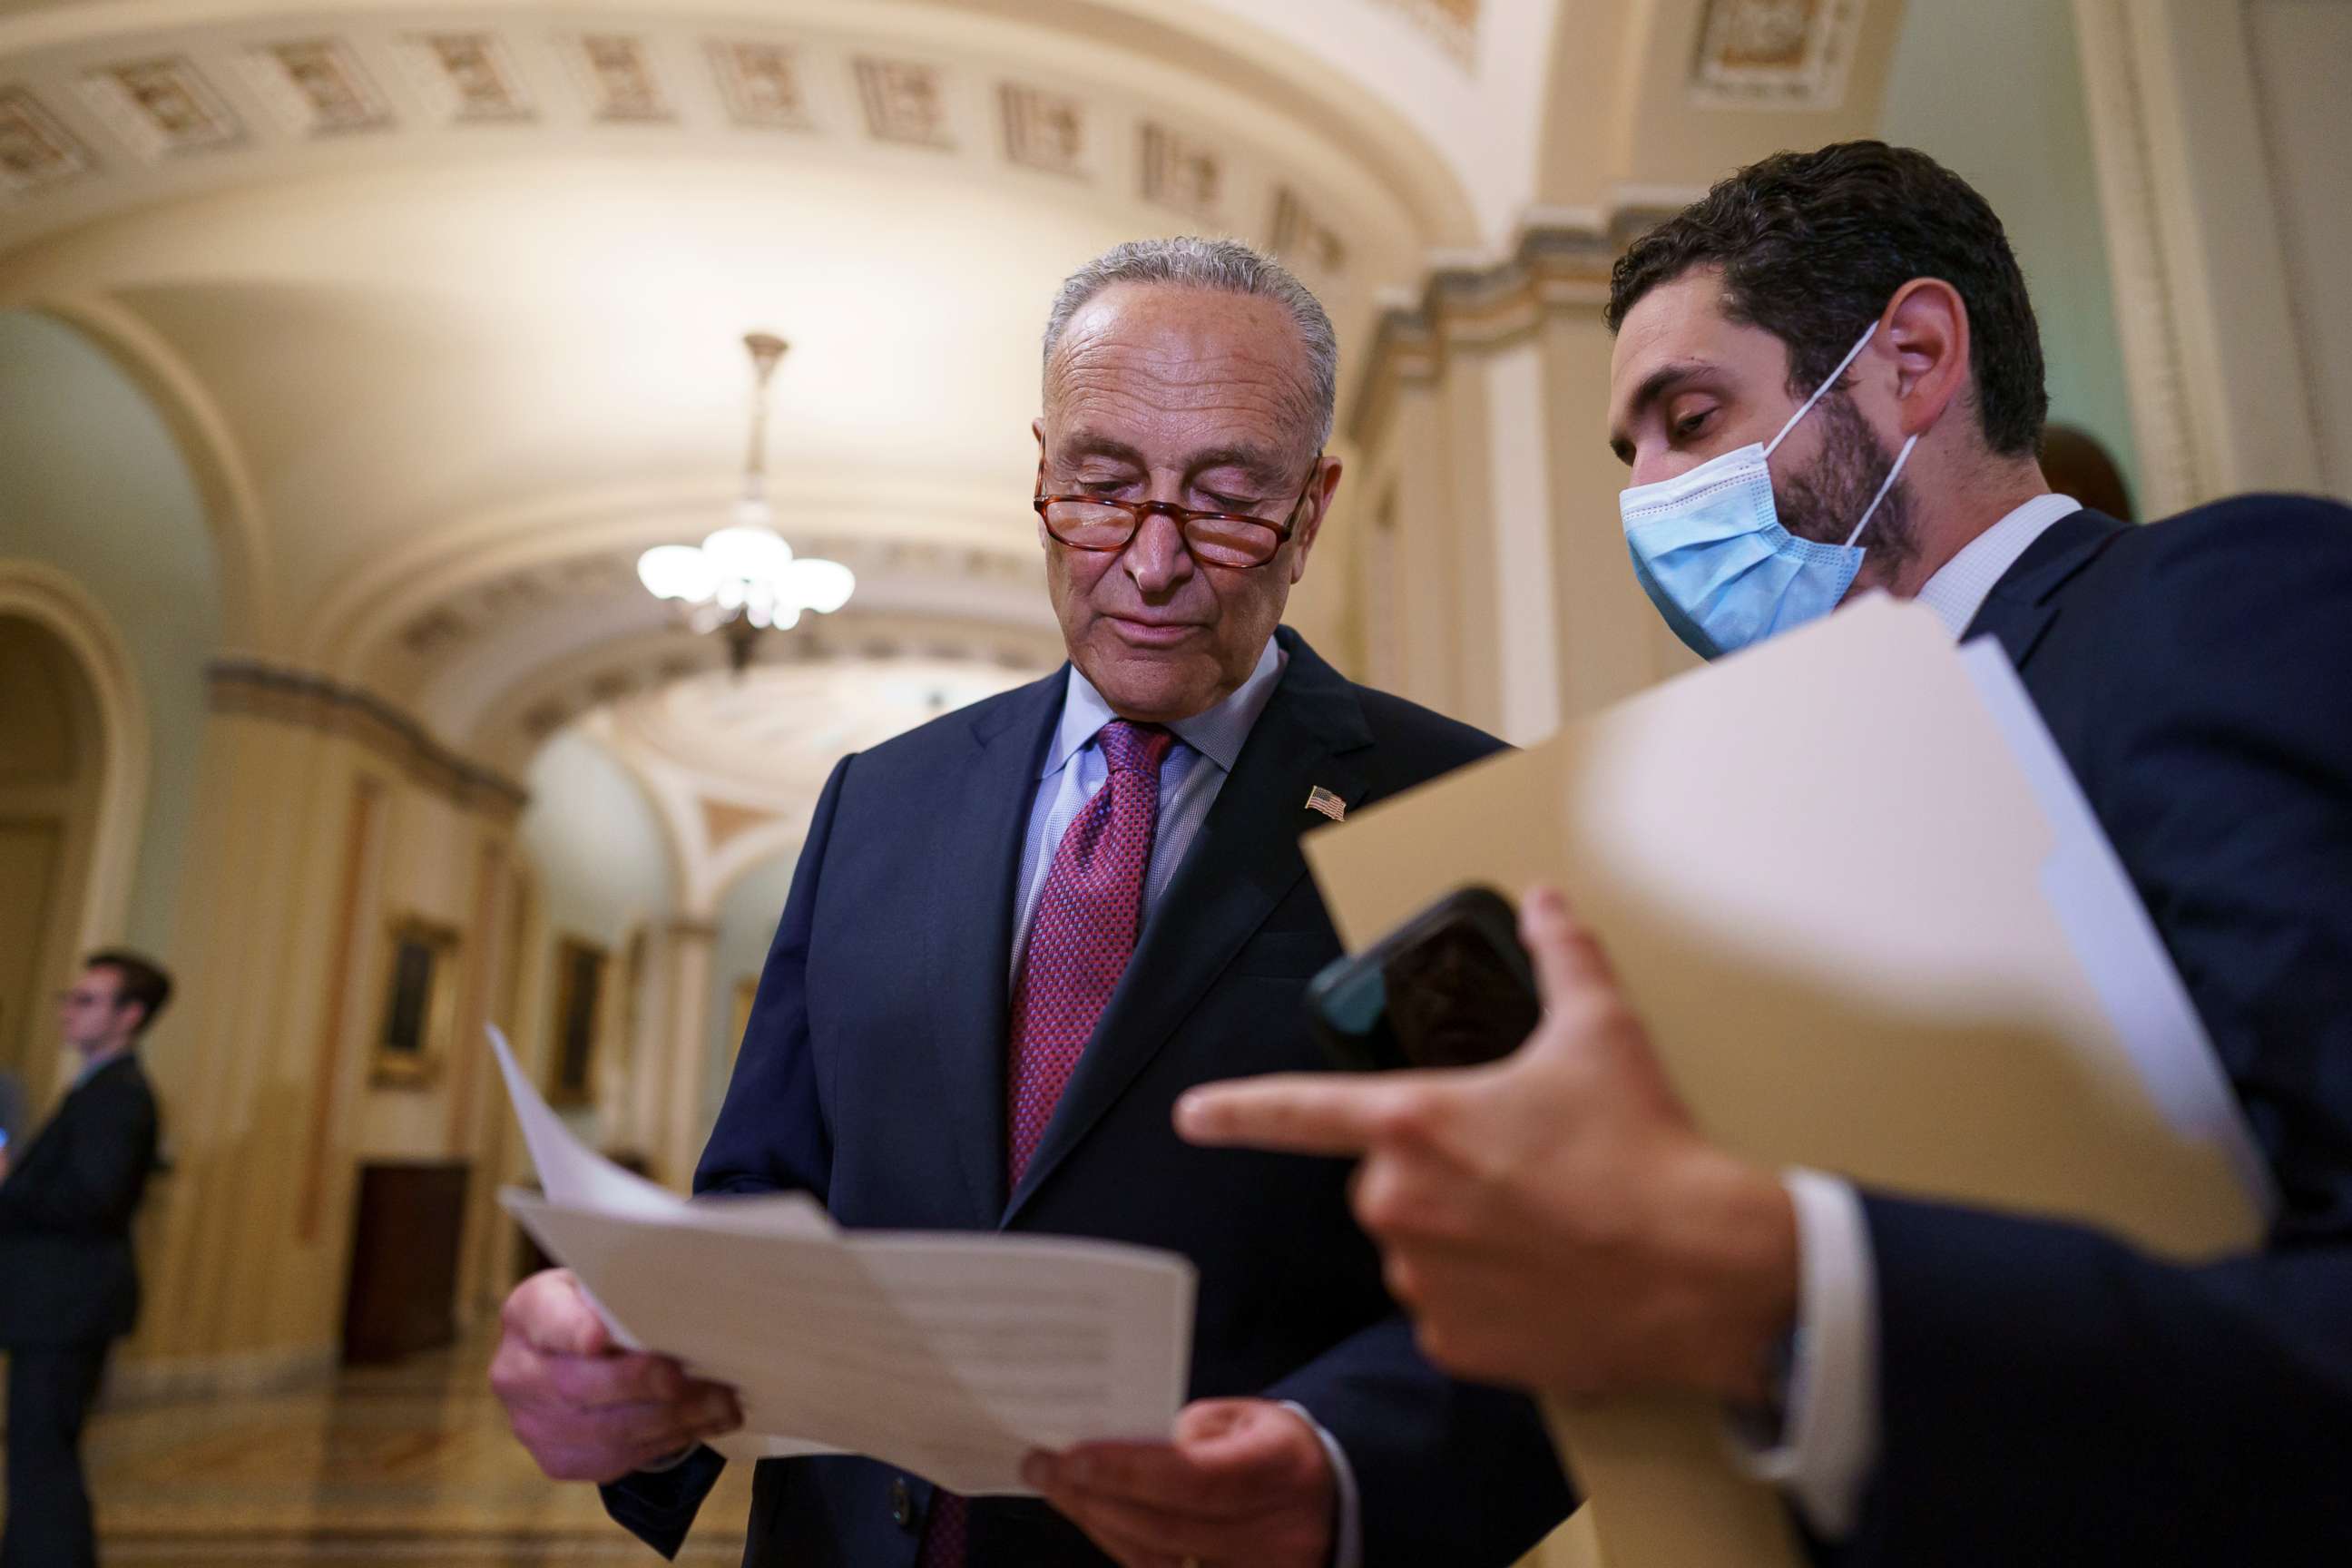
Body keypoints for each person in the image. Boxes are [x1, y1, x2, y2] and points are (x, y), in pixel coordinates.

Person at [1177, 141, 2352, 1565]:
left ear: (1913, 357)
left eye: (1690, 417)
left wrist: (1798, 1289)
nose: (1652, 495)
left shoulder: (2210, 610)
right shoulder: (1758, 809)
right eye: (1635, 454)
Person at [489, 237, 1571, 1568]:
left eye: (1227, 500)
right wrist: (629, 1370)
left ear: (1312, 509)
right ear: (1043, 473)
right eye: (1103, 487)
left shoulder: (1456, 810)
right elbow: (767, 1194)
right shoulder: (877, 801)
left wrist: (1334, 1469)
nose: (1152, 563)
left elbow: (1557, 1282)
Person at [0, 950, 171, 1568]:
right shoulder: (98, 1088)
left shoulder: (117, 1095)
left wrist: (9, 1185)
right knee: (37, 1452)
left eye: (87, 1000)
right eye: (69, 998)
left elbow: (93, 1200)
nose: (68, 1011)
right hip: (54, 1302)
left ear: (130, 1015)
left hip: (66, 1302)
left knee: (42, 1456)